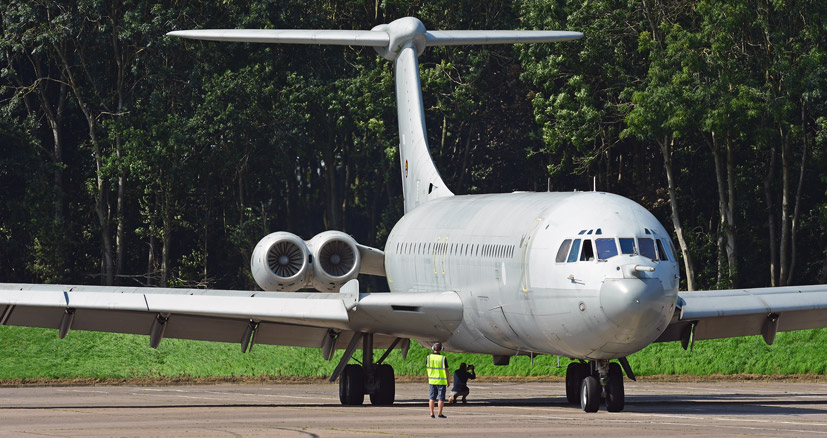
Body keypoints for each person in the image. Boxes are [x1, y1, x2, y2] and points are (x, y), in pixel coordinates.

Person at [426, 342, 448, 418]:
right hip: (441, 381)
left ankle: (432, 414)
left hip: (432, 380)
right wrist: (448, 381)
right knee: (441, 398)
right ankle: (440, 413)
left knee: (432, 398)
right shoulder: (443, 358)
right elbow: (446, 371)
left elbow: (427, 368)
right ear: (441, 349)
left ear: (433, 348)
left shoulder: (428, 358)